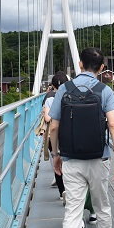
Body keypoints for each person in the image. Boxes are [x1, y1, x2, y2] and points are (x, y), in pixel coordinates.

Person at [49, 48, 114, 228]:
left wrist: (56, 155)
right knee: (102, 206)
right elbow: (113, 124)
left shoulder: (63, 89)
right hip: (99, 159)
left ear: (80, 64)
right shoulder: (105, 91)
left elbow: (53, 127)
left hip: (71, 159)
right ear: (102, 67)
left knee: (73, 211)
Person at [42, 71, 69, 201]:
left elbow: (47, 118)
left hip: (54, 135)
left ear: (52, 86)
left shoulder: (50, 99)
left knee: (56, 161)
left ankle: (62, 191)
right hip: (69, 133)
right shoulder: (72, 96)